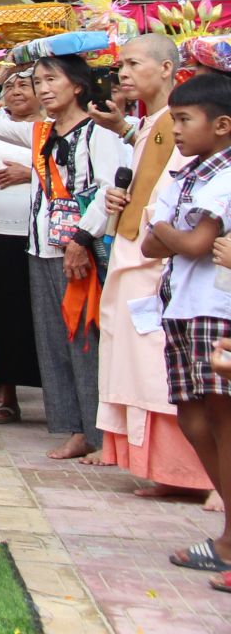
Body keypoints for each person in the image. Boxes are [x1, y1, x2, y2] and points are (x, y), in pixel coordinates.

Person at [0, 53, 128, 462]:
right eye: (38, 81)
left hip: (80, 249)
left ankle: (98, 432)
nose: (42, 88)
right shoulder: (42, 131)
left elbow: (108, 191)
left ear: (78, 86)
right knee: (53, 341)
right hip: (41, 247)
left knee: (84, 340)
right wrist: (6, 71)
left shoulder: (99, 130)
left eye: (52, 80)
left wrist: (81, 239)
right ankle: (73, 427)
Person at [95, 34, 214, 497]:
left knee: (157, 367)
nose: (122, 73)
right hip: (136, 249)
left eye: (133, 63)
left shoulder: (175, 123)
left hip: (156, 257)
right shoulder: (152, 123)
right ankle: (166, 472)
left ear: (167, 68)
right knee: (140, 364)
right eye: (119, 64)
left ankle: (198, 474)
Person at [140, 70, 231, 578]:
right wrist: (171, 231)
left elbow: (194, 244)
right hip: (179, 305)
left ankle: (230, 540)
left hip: (213, 309)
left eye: (183, 119)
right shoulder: (189, 173)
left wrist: (168, 231)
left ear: (221, 125)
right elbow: (155, 241)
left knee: (221, 420)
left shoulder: (225, 173)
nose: (175, 129)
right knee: (193, 418)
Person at [0, 67, 43, 425]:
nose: (17, 91)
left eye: (26, 84)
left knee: (42, 314)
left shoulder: (53, 125)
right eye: (11, 85)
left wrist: (31, 172)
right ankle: (9, 396)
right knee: (6, 313)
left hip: (42, 233)